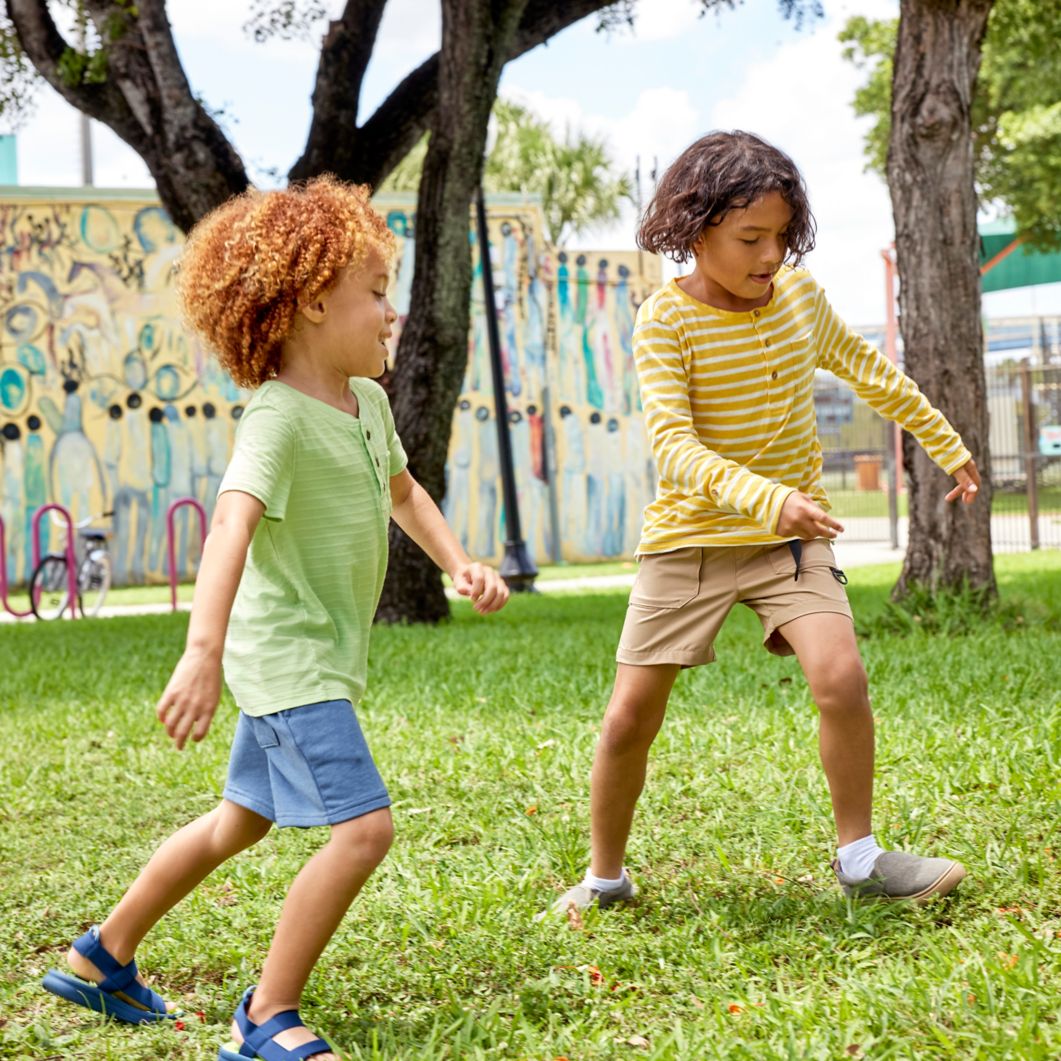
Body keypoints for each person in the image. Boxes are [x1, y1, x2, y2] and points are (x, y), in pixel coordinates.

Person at [41, 176, 509, 1061]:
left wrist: (460, 564)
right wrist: (201, 651)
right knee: (365, 828)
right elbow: (230, 523)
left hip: (311, 657)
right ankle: (267, 1014)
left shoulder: (365, 404)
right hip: (285, 658)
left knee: (238, 821)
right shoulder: (278, 418)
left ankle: (102, 954)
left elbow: (404, 492)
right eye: (375, 293)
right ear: (309, 302)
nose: (390, 312)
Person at [543, 131, 980, 917]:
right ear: (695, 228)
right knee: (626, 719)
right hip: (690, 541)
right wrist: (765, 495)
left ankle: (859, 857)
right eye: (750, 238)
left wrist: (945, 444)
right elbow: (672, 447)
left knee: (840, 676)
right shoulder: (665, 321)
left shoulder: (800, 301)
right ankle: (604, 877)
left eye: (781, 236)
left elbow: (868, 369)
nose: (769, 254)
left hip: (787, 538)